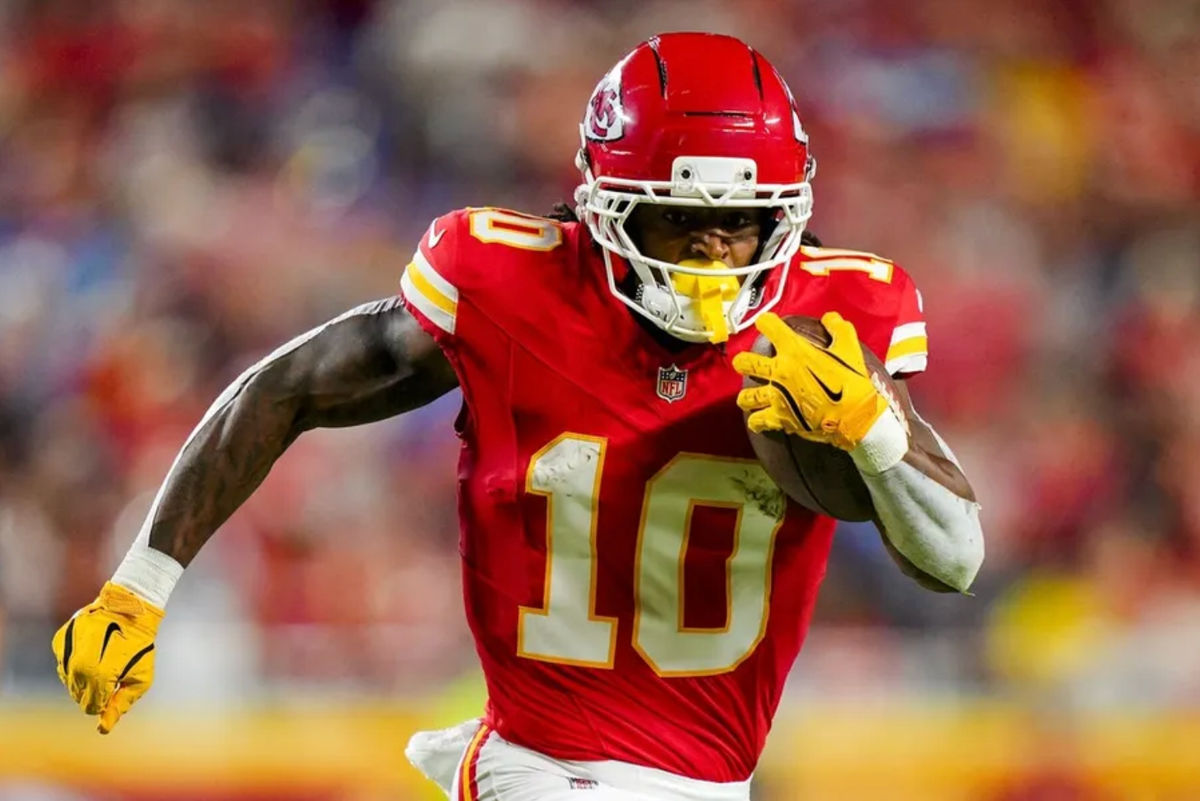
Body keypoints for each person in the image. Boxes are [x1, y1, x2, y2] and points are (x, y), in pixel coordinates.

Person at [52, 32, 984, 801]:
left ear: (785, 216)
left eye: (738, 223)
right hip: (539, 770)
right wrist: (140, 582)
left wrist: (876, 432)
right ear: (607, 207)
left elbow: (955, 560)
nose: (712, 256)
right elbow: (286, 385)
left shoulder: (838, 325)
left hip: (709, 784)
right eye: (676, 224)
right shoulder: (504, 283)